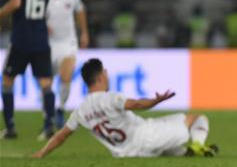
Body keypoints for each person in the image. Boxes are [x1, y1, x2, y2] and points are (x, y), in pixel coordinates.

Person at [31, 58, 216, 158]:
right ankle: (198, 144)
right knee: (195, 118)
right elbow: (136, 104)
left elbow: (61, 136)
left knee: (177, 152)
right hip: (147, 136)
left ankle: (190, 152)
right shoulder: (110, 98)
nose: (107, 75)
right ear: (100, 77)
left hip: (127, 153)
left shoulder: (80, 111)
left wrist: (41, 153)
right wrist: (155, 101)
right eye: (105, 72)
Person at [0, 0, 56, 140]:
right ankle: (48, 125)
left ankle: (10, 127)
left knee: (7, 80)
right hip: (41, 40)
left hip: (21, 40)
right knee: (45, 83)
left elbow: (16, 2)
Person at [44, 0, 89, 127]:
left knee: (66, 77)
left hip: (68, 43)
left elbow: (80, 11)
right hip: (47, 44)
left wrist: (84, 33)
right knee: (46, 83)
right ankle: (47, 115)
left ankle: (61, 109)